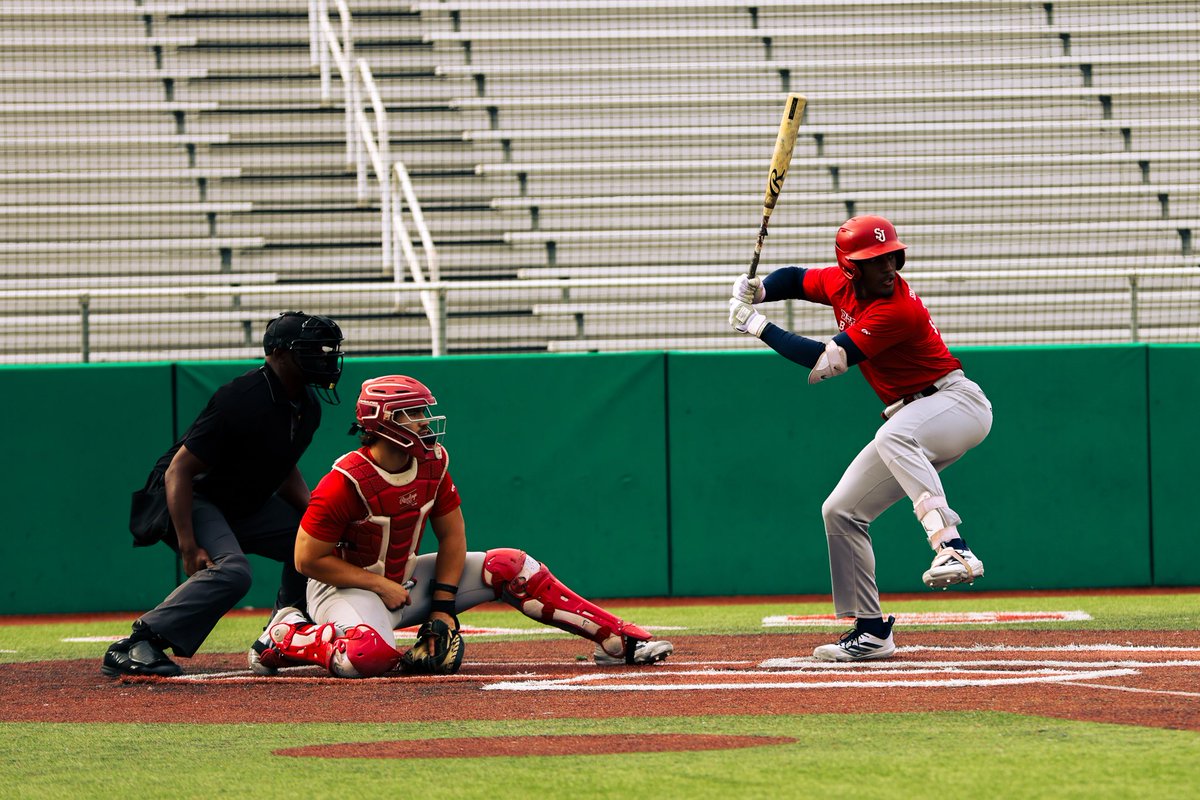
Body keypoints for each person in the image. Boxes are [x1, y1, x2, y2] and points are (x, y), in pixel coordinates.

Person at [250, 374, 674, 678]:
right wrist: (378, 586)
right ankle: (286, 634)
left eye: (422, 412)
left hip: (402, 578)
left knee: (512, 566)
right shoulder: (345, 481)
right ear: (381, 424)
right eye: (411, 414)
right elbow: (307, 559)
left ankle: (618, 640)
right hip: (342, 590)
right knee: (369, 657)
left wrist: (442, 608)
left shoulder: (433, 463)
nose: (423, 421)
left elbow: (452, 537)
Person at [727, 215, 993, 662]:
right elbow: (795, 278)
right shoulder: (838, 282)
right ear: (852, 267)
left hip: (957, 405)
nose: (889, 267)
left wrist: (758, 326)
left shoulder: (898, 309)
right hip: (910, 416)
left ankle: (951, 545)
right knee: (841, 510)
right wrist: (764, 289)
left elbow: (824, 360)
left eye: (892, 256)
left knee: (894, 437)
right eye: (875, 260)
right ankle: (871, 631)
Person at [102, 311, 345, 678]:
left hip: (240, 501)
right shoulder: (242, 398)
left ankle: (284, 632)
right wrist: (187, 544)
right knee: (233, 573)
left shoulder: (306, 406)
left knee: (310, 543)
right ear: (277, 354)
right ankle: (139, 643)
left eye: (325, 350)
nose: (324, 358)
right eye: (310, 350)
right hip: (192, 496)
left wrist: (316, 519)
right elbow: (179, 470)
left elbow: (282, 467)